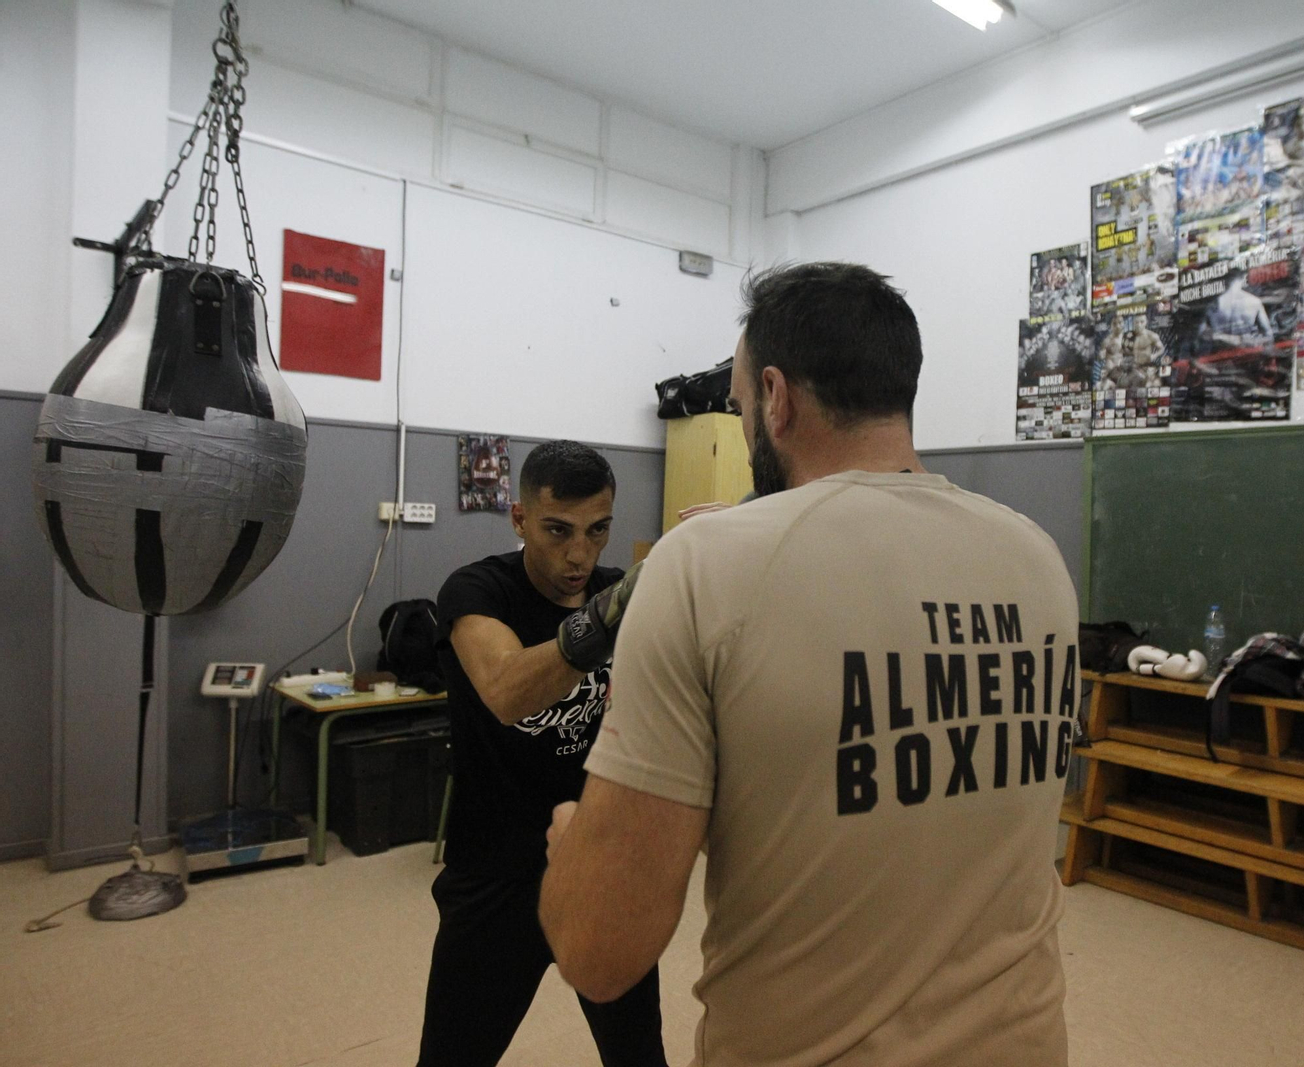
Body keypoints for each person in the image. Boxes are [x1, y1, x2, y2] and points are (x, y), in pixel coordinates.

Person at [539, 262, 1078, 1066]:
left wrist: (572, 842)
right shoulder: (1037, 559)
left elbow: (598, 950)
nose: (744, 419)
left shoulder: (704, 567)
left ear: (777, 397)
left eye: (739, 403)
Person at [416, 441, 665, 1067]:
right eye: (558, 530)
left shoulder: (617, 593)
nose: (580, 553)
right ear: (520, 519)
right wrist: (611, 615)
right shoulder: (478, 591)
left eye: (598, 530)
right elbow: (506, 691)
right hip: (496, 877)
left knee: (639, 1059)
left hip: (599, 866)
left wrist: (721, 547)